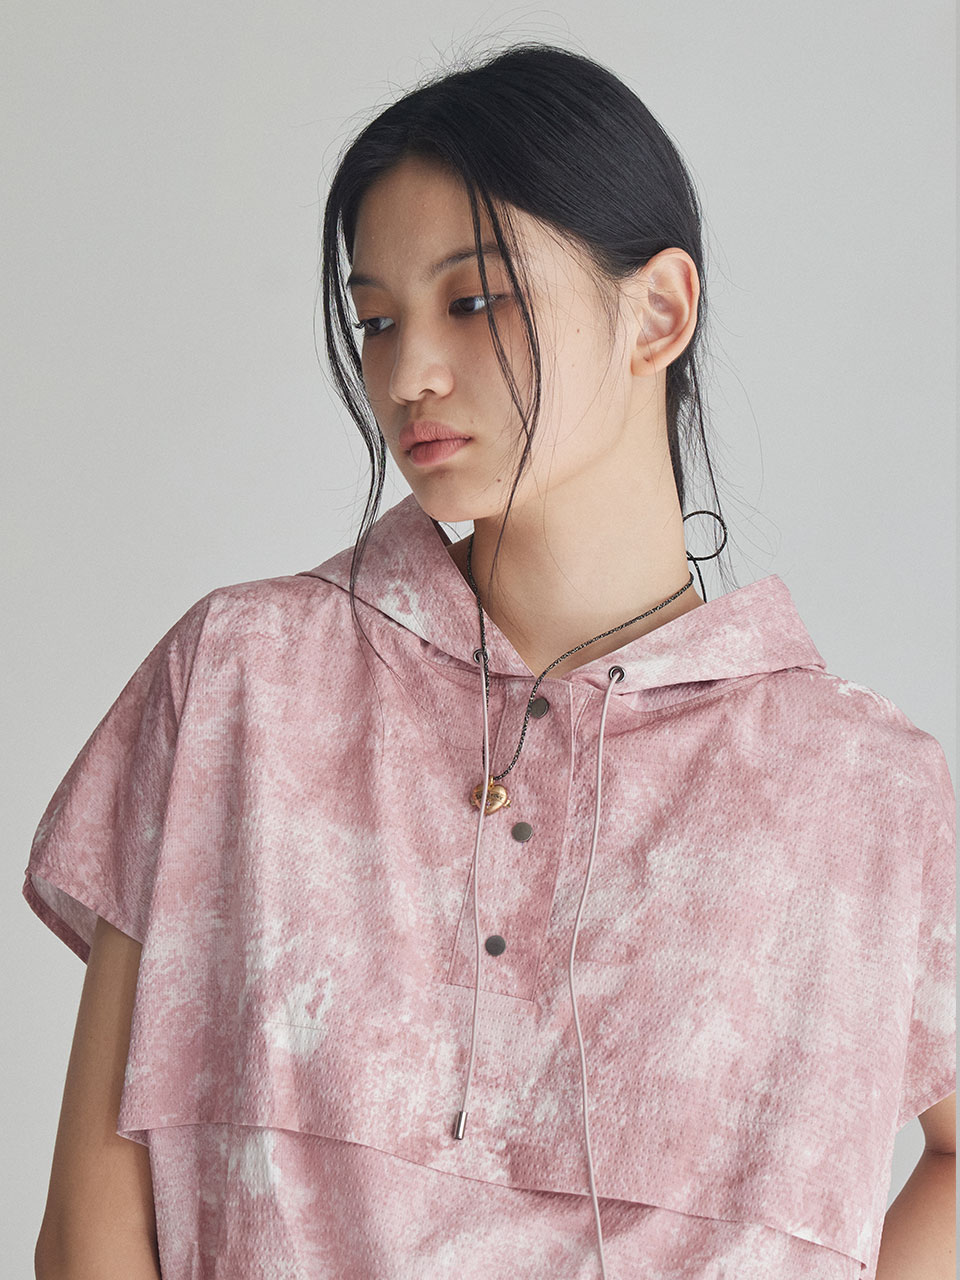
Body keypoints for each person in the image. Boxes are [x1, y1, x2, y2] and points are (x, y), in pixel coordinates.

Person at [26, 41, 955, 1280]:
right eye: (376, 319)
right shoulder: (243, 680)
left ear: (658, 312)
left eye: (474, 301)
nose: (408, 372)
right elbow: (91, 1229)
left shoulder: (862, 785)